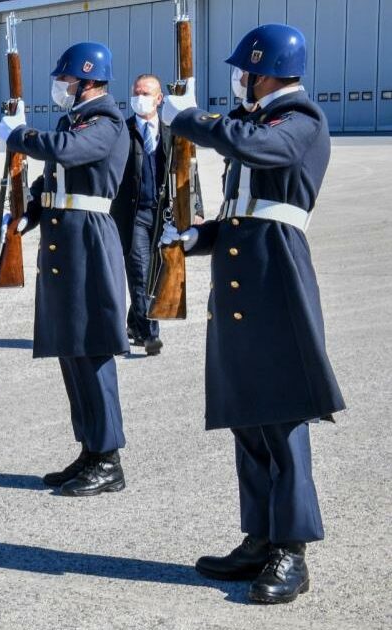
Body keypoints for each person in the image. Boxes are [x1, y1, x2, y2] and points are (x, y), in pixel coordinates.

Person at [159, 23, 344, 605]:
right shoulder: (260, 123)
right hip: (243, 281)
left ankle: (292, 548)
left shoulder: (300, 120)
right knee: (248, 415)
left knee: (283, 416)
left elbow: (254, 151)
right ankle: (259, 535)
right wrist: (198, 235)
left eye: (244, 70)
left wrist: (190, 118)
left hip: (276, 279)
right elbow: (247, 211)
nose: (240, 79)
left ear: (264, 71)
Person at [0, 42, 130, 496]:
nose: (61, 86)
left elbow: (65, 152)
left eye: (67, 80)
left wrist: (19, 135)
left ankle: (109, 458)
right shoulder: (73, 120)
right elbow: (51, 175)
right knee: (71, 351)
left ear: (88, 80)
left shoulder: (106, 122)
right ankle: (90, 448)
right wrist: (30, 210)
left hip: (89, 239)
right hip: (64, 241)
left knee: (91, 351)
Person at [110, 75, 171, 356]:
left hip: (161, 215)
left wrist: (194, 211)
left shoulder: (172, 133)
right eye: (136, 92)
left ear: (159, 98)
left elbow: (186, 173)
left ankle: (135, 324)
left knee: (156, 274)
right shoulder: (122, 130)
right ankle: (150, 335)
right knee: (139, 272)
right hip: (132, 216)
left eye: (146, 93)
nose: (139, 97)